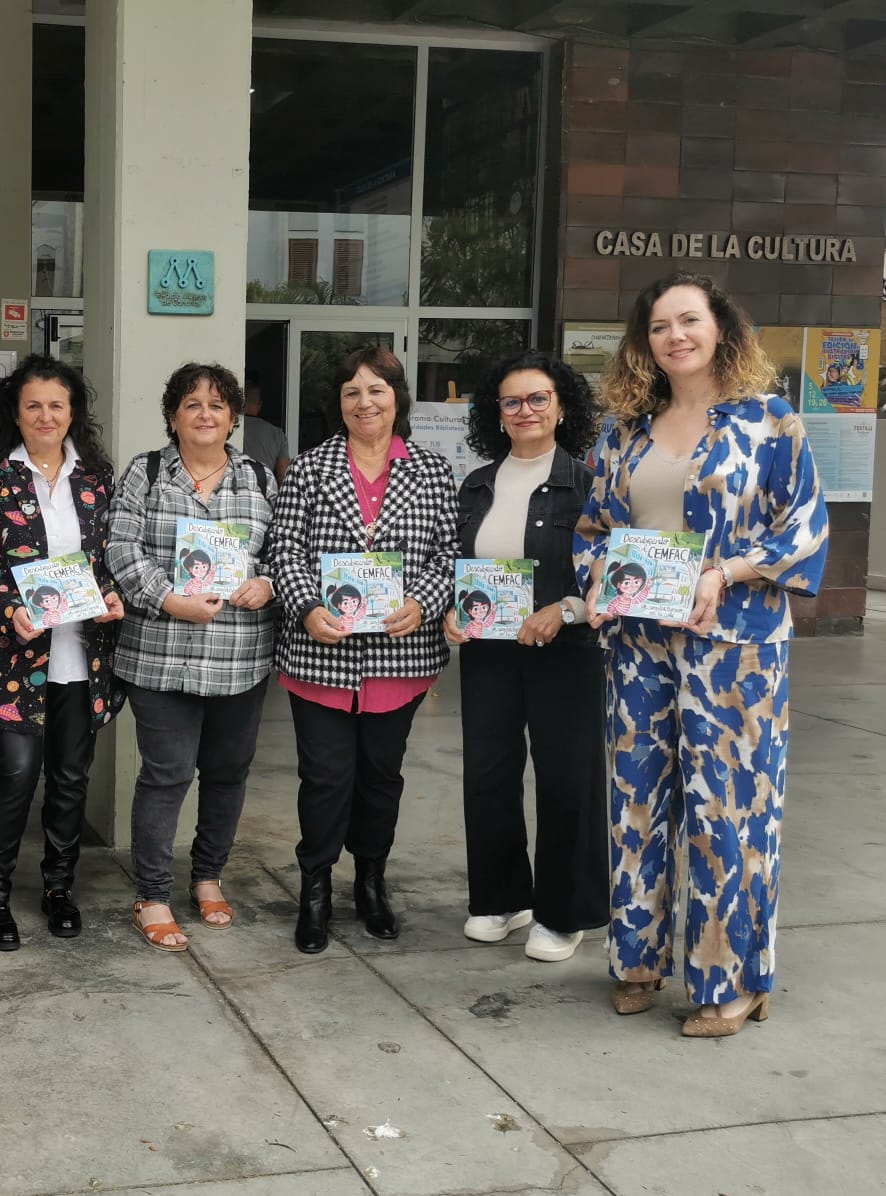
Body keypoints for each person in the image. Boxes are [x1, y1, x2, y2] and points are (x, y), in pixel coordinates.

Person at [577, 272, 828, 1036]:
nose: (675, 336)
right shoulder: (625, 430)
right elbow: (594, 528)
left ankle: (734, 979)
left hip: (735, 648)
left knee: (729, 811)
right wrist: (597, 579)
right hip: (639, 644)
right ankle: (638, 961)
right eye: (659, 326)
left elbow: (805, 526)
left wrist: (727, 571)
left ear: (720, 327)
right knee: (636, 805)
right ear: (644, 342)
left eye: (688, 320)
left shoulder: (770, 423)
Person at [266, 345, 457, 953]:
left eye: (377, 390)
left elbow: (448, 555)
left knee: (380, 778)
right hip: (321, 654)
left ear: (397, 398)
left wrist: (423, 600)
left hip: (399, 658)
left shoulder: (432, 471)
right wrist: (306, 606)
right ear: (339, 404)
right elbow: (284, 550)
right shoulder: (309, 469)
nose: (364, 402)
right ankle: (315, 885)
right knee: (324, 778)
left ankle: (371, 879)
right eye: (352, 392)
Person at [0, 355, 127, 951]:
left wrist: (111, 593)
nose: (46, 416)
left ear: (73, 412)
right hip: (13, 654)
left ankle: (58, 887)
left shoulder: (96, 478)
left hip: (81, 653)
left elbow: (111, 556)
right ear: (16, 412)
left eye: (56, 405)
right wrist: (8, 609)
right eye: (33, 406)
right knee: (18, 772)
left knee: (71, 778)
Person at [442, 350, 607, 963]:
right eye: (511, 401)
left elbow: (614, 574)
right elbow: (460, 565)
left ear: (562, 407)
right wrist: (452, 611)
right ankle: (501, 897)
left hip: (566, 651)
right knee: (488, 773)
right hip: (489, 651)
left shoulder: (588, 485)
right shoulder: (476, 484)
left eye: (539, 398)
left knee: (567, 779)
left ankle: (565, 913)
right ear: (497, 413)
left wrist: (569, 609)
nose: (525, 410)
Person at [107, 362, 278, 952]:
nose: (205, 414)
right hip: (161, 654)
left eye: (217, 404)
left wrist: (267, 582)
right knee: (166, 774)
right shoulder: (146, 472)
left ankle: (207, 877)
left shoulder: (259, 479)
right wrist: (167, 598)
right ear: (173, 416)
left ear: (233, 417)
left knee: (227, 773)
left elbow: (285, 548)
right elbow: (120, 547)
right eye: (192, 404)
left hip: (239, 656)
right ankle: (152, 895)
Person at [239, 371, 290, 482]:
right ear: (260, 405)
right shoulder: (277, 434)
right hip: (265, 490)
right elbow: (283, 476)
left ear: (240, 403)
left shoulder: (230, 429)